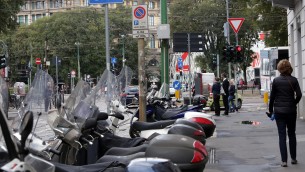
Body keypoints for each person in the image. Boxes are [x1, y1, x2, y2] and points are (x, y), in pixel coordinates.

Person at [268, 59, 302, 167]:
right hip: (291, 111)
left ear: (279, 69)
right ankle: (293, 158)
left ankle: (284, 161)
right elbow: (299, 95)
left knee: (282, 135)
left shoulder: (276, 81)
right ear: (289, 68)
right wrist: (294, 103)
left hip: (279, 112)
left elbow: (272, 97)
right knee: (292, 134)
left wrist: (270, 110)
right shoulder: (294, 80)